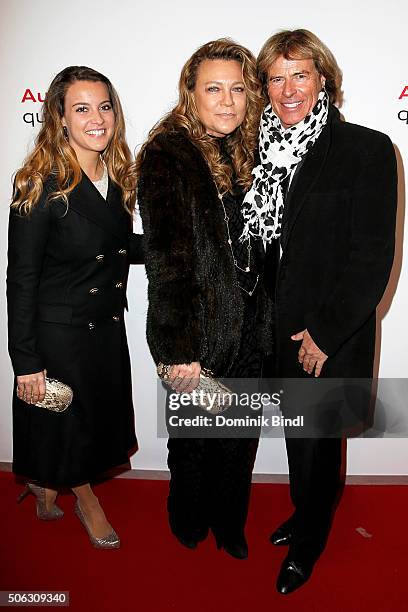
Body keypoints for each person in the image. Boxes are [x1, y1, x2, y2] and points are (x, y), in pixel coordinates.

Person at [241, 29, 397, 592]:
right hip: (271, 327)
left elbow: (372, 258)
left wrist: (325, 336)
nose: (287, 89)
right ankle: (308, 511)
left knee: (316, 438)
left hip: (326, 332)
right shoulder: (256, 151)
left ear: (322, 79)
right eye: (275, 77)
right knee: (298, 439)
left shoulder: (367, 149)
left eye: (299, 74)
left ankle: (310, 539)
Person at [136, 39, 270, 558]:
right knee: (193, 442)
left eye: (238, 89)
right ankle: (188, 520)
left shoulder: (250, 150)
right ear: (189, 93)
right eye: (213, 88)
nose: (227, 101)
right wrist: (176, 349)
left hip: (252, 330)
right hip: (196, 332)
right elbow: (167, 263)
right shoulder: (168, 155)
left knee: (239, 442)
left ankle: (230, 523)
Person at [7, 66, 143, 549]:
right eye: (82, 108)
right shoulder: (38, 184)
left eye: (104, 106)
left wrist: (179, 247)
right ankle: (86, 501)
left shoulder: (116, 175)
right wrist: (25, 361)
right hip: (60, 332)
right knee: (73, 425)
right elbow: (20, 280)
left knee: (92, 421)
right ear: (59, 118)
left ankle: (44, 487)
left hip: (104, 326)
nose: (97, 118)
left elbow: (121, 245)